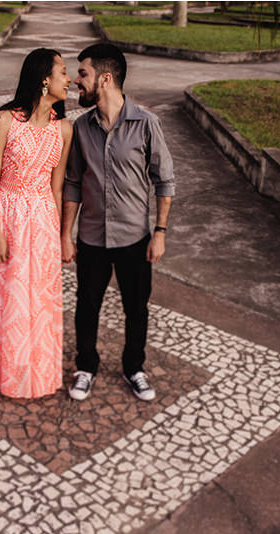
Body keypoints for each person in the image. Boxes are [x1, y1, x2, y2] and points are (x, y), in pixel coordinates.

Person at [61, 43, 175, 402]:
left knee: (136, 306)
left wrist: (159, 232)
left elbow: (165, 180)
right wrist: (66, 234)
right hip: (93, 236)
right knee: (87, 305)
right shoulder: (81, 128)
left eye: (83, 73)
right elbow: (74, 183)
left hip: (134, 237)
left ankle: (134, 367)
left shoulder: (146, 124)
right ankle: (86, 367)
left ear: (105, 79)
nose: (76, 81)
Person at [0, 48, 74, 398]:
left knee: (37, 303)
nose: (68, 79)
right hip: (7, 218)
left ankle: (33, 374)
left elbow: (57, 188)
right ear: (44, 79)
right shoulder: (4, 121)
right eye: (63, 72)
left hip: (41, 222)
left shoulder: (63, 130)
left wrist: (58, 236)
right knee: (3, 299)